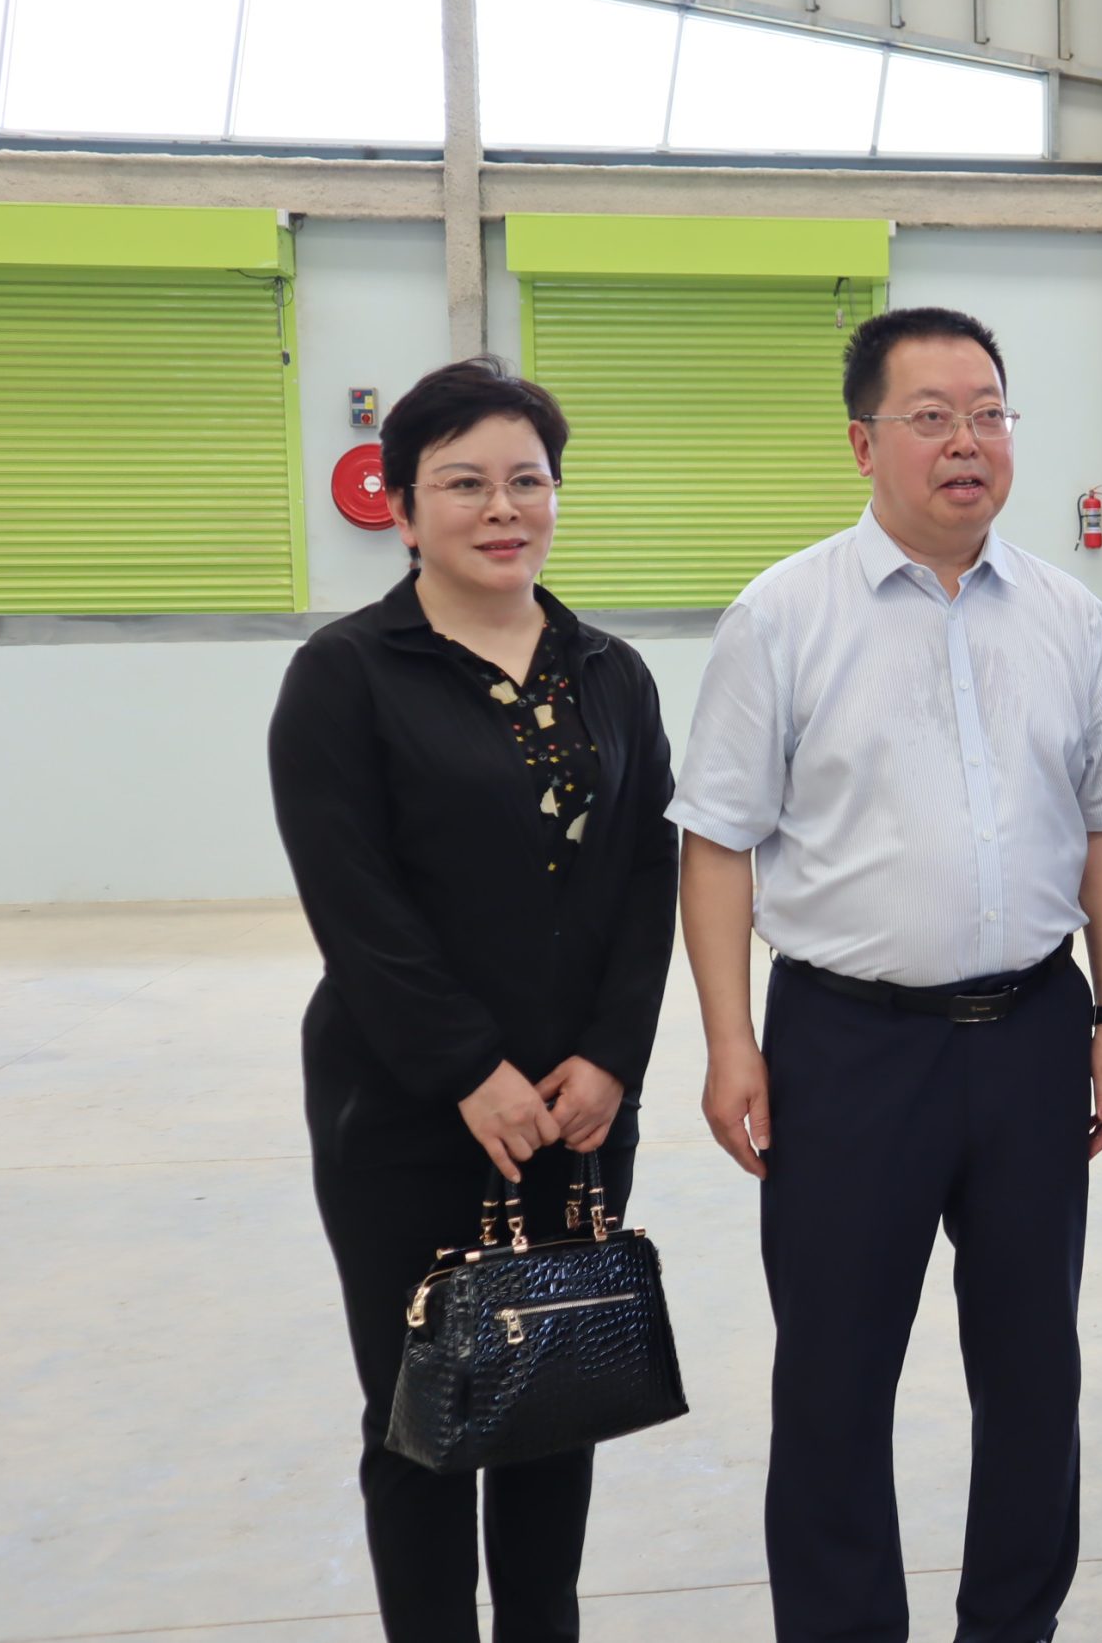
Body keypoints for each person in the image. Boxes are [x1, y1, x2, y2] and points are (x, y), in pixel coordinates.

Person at [669, 306, 1102, 1643]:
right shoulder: (782, 615)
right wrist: (731, 1042)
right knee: (833, 1378)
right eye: (931, 416)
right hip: (847, 1045)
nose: (966, 441)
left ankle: (1013, 1624)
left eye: (988, 413)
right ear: (862, 442)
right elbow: (716, 843)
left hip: (1034, 1030)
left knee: (1034, 1374)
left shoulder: (1065, 617)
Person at [267, 357, 679, 1643]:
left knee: (557, 1398)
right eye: (463, 484)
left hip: (577, 1109)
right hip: (406, 1110)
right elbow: (354, 902)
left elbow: (647, 872)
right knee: (422, 1415)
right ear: (400, 508)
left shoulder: (610, 671)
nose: (503, 509)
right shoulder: (346, 674)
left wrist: (611, 1057)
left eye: (527, 481)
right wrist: (465, 1069)